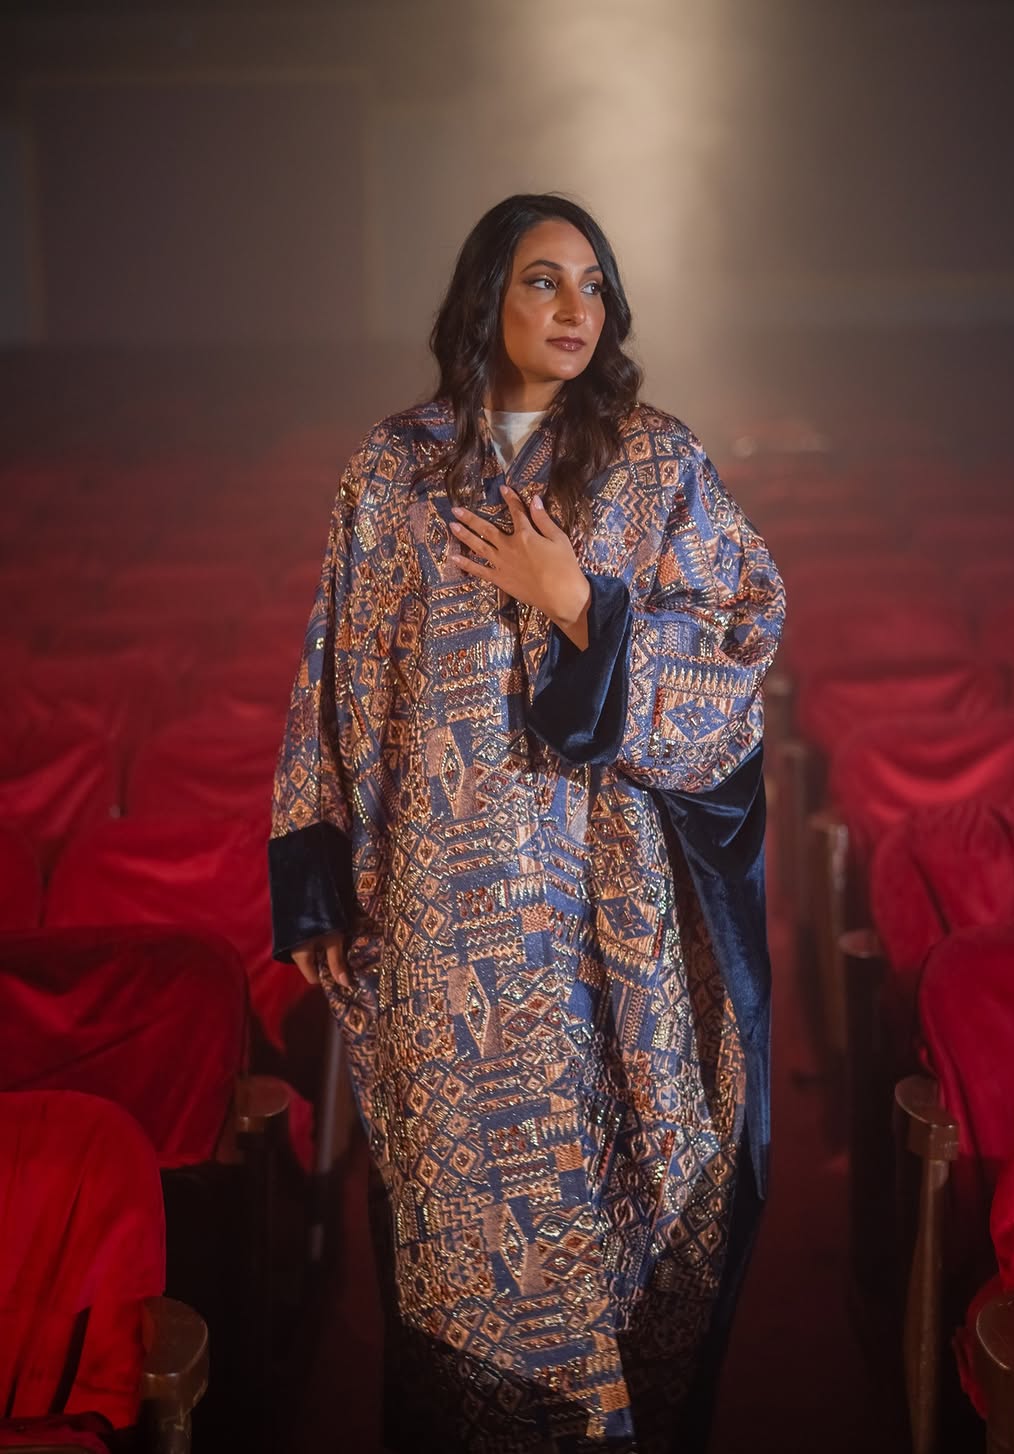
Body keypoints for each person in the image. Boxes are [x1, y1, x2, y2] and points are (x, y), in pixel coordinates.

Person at [269, 193, 785, 1454]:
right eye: (544, 280)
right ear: (486, 295)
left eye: (594, 285)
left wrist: (583, 607)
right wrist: (320, 880)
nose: (574, 309)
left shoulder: (656, 463)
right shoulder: (392, 471)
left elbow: (739, 646)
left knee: (614, 1222)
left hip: (614, 932)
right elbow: (334, 677)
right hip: (445, 940)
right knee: (462, 1244)